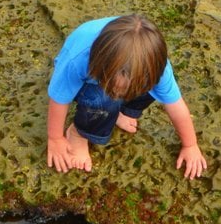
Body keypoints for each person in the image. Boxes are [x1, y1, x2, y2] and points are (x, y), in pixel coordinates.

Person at [46, 14, 207, 179]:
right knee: (102, 100)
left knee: (151, 90)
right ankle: (78, 133)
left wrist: (190, 145)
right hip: (89, 81)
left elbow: (176, 105)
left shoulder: (156, 69)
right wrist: (55, 138)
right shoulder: (78, 60)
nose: (119, 95)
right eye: (118, 91)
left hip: (120, 71)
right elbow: (59, 98)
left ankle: (120, 112)